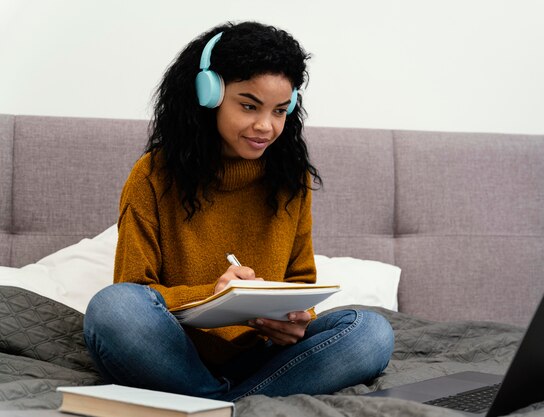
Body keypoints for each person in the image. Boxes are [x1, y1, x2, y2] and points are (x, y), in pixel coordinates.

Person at [83, 21, 394, 402]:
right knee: (113, 308)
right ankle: (239, 402)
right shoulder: (151, 175)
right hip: (172, 353)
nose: (265, 126)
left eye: (280, 111)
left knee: (371, 332)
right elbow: (135, 290)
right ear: (209, 94)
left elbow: (299, 283)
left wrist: (296, 321)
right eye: (249, 106)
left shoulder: (289, 178)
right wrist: (213, 295)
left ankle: (217, 404)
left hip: (261, 357)